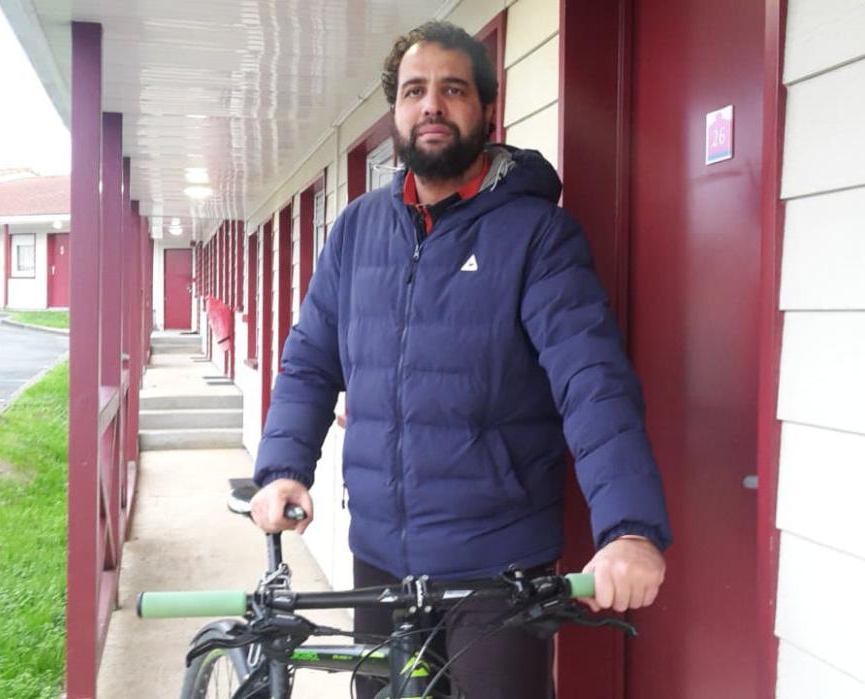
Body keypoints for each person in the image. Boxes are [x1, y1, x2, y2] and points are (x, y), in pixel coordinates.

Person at [250, 19, 672, 699]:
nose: (432, 105)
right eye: (415, 90)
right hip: (382, 556)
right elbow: (309, 362)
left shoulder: (537, 235)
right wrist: (283, 469)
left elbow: (592, 383)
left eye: (453, 89)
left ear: (484, 109)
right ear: (395, 111)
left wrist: (628, 528)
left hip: (498, 568)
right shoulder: (357, 230)